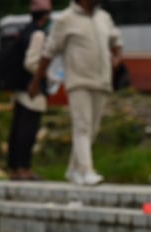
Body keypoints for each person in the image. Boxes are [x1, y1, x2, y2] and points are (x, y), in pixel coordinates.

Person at [28, 0, 122, 186]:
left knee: (92, 129)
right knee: (82, 126)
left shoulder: (104, 17)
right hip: (78, 81)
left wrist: (117, 58)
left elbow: (116, 42)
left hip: (101, 81)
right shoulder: (65, 19)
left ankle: (74, 170)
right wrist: (36, 81)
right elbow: (48, 52)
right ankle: (86, 170)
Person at [7, 0, 53, 181]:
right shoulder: (38, 34)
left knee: (17, 129)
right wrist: (44, 76)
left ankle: (15, 169)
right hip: (31, 89)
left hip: (20, 88)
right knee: (27, 130)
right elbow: (31, 62)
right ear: (46, 16)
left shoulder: (25, 31)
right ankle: (24, 168)